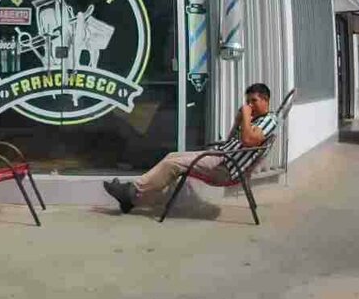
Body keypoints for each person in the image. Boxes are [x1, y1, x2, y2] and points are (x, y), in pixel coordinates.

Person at [103, 83, 278, 214]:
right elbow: (231, 140)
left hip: (225, 167)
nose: (250, 105)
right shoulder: (253, 120)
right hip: (221, 156)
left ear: (266, 100)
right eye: (248, 101)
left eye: (254, 101)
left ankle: (131, 191)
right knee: (171, 156)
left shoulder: (269, 120)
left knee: (172, 166)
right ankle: (132, 199)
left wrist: (246, 116)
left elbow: (248, 140)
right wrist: (238, 121)